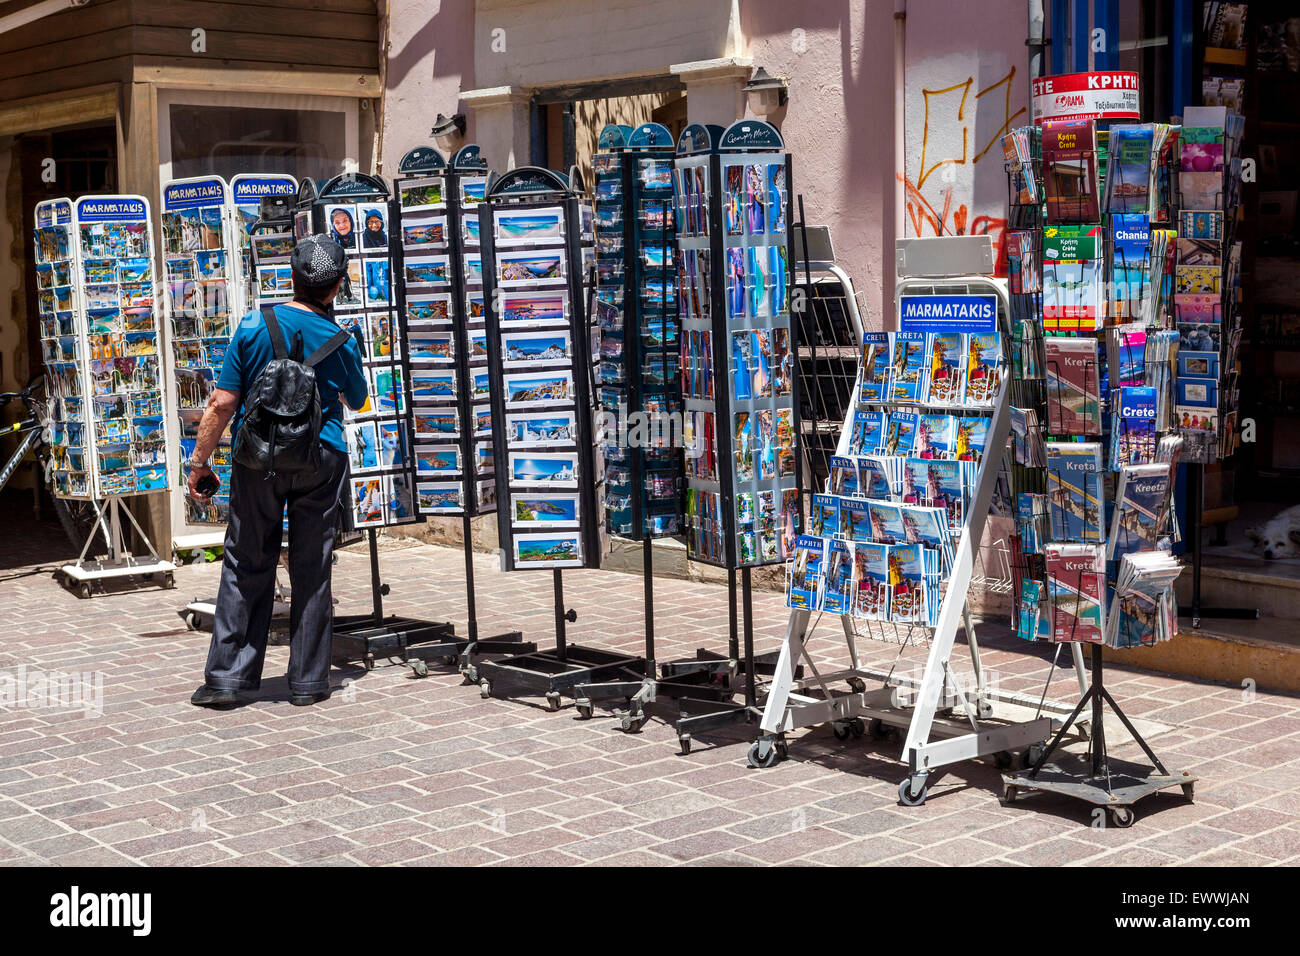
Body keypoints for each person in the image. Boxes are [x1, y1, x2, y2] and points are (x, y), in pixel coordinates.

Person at [187, 235, 368, 708]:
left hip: (259, 460)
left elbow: (222, 403)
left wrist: (200, 461)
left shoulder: (253, 325)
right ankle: (308, 682)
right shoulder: (343, 340)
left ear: (291, 277)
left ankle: (229, 679)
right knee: (313, 564)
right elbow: (358, 399)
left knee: (246, 558)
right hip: (319, 458)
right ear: (337, 286)